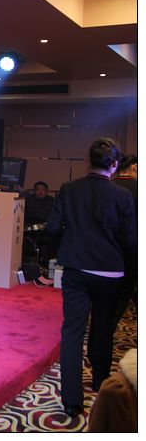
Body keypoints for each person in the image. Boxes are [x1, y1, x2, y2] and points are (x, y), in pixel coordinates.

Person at [45, 137, 136, 417]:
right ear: (114, 164)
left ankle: (71, 401)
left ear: (89, 161)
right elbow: (130, 240)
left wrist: (68, 247)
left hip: (76, 268)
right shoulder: (122, 195)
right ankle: (100, 382)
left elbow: (52, 228)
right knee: (102, 328)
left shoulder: (69, 189)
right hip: (110, 271)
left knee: (72, 331)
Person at [110, 154, 137, 334]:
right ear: (134, 167)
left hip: (103, 251)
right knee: (123, 293)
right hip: (131, 251)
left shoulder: (105, 187)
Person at [23, 181, 58, 270]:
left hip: (46, 228)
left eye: (43, 190)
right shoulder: (28, 200)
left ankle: (45, 264)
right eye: (38, 189)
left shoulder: (51, 201)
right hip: (30, 228)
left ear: (47, 192)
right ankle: (27, 263)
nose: (41, 192)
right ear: (34, 191)